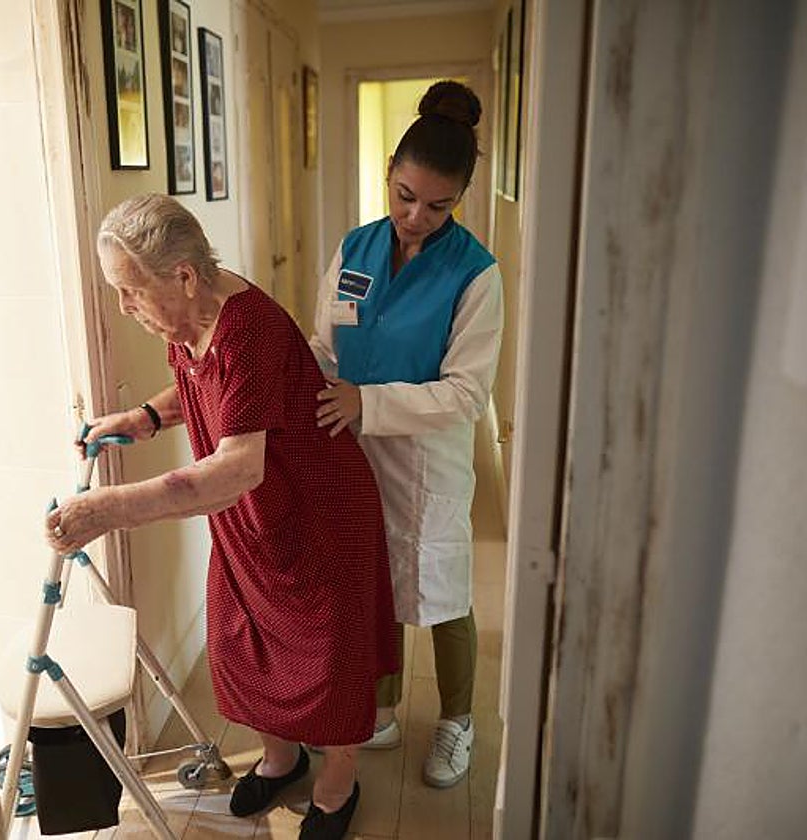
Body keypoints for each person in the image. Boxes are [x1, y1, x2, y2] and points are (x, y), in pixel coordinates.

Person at [45, 194, 398, 838]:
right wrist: (144, 418)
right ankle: (281, 758)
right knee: (242, 642)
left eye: (130, 290)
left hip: (316, 512)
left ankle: (336, 785)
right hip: (249, 516)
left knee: (329, 657)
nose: (125, 307)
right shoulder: (188, 317)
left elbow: (238, 467)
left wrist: (109, 509)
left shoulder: (250, 329)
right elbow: (200, 387)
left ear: (182, 275)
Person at [309, 80, 503, 789]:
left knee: (444, 590)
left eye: (438, 204)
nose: (416, 216)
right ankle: (382, 705)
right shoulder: (355, 247)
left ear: (462, 198)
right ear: (390, 170)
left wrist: (370, 403)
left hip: (428, 455)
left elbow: (466, 392)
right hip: (354, 449)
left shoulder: (476, 274)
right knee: (374, 581)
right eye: (404, 194)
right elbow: (325, 346)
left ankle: (458, 721)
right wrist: (316, 387)